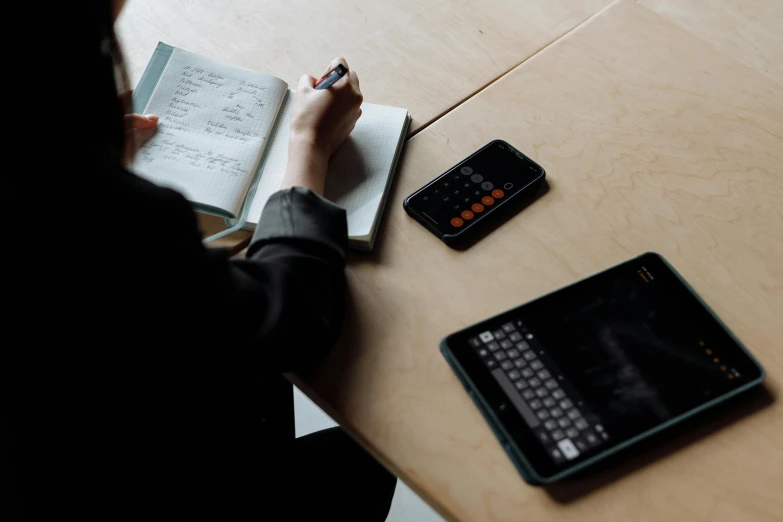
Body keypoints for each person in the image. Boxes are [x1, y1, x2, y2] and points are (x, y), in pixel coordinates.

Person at [4, 1, 396, 520]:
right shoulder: (100, 223)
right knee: (381, 449)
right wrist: (308, 144)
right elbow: (288, 318)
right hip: (181, 485)